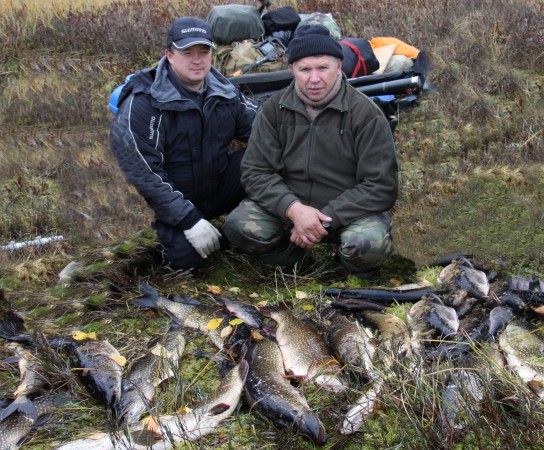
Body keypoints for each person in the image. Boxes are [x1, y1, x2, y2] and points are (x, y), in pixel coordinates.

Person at [222, 24, 398, 277]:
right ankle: (292, 262)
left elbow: (381, 185)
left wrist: (324, 218)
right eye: (305, 69)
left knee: (367, 244)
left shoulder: (366, 114)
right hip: (290, 211)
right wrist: (294, 210)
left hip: (346, 213)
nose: (314, 78)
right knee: (239, 226)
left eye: (323, 68)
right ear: (292, 70)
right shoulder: (272, 110)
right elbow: (256, 172)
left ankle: (348, 271)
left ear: (338, 66)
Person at [110, 16, 259, 271]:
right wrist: (188, 220)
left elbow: (266, 131)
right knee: (185, 260)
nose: (197, 60)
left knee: (265, 156)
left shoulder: (224, 91)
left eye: (204, 51)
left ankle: (260, 228)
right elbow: (143, 174)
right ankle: (122, 256)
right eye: (187, 52)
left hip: (212, 189)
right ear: (169, 55)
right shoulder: (144, 103)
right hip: (163, 206)